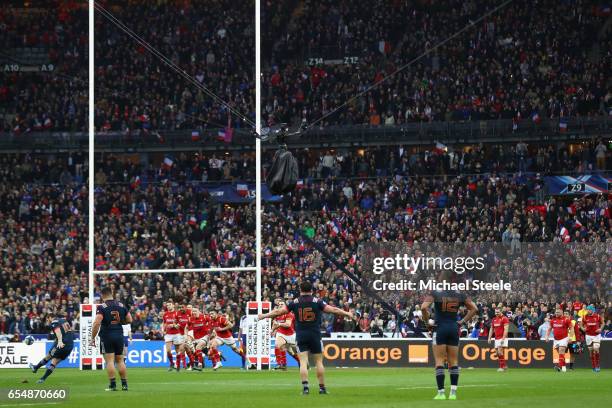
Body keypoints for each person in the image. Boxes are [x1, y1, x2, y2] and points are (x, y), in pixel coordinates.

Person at [258, 280, 354, 395]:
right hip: (315, 334)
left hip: (301, 334)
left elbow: (279, 312)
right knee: (319, 362)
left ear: (300, 290)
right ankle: (322, 388)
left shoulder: (295, 302)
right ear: (311, 291)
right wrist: (347, 313)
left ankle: (305, 388)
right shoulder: (317, 301)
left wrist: (264, 315)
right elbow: (333, 309)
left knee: (303, 362)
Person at [421, 289, 478, 400]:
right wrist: (462, 322)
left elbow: (423, 307)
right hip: (453, 328)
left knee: (439, 361)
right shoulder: (460, 294)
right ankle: (453, 393)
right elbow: (474, 308)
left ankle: (441, 393)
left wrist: (427, 322)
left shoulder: (435, 293)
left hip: (440, 328)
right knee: (454, 362)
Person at [91, 287, 132, 391]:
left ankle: (113, 385)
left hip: (107, 336)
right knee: (120, 361)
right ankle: (124, 385)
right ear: (111, 293)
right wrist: (120, 322)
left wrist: (92, 337)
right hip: (119, 335)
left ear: (102, 295)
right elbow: (130, 319)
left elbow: (97, 323)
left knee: (109, 361)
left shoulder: (102, 307)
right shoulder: (121, 305)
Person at [29, 314, 75, 384]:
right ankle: (42, 377)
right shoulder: (64, 321)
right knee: (54, 362)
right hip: (70, 346)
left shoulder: (54, 322)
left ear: (50, 317)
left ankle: (36, 368)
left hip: (61, 344)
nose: (48, 321)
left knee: (49, 356)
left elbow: (58, 331)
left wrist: (59, 341)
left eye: (47, 319)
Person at [272, 298, 299, 370]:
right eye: (279, 304)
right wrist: (272, 330)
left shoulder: (289, 314)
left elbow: (288, 324)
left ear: (285, 306)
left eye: (282, 304)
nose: (280, 305)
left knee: (293, 352)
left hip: (291, 335)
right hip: (281, 334)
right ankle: (281, 364)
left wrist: (278, 324)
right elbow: (274, 323)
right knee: (278, 345)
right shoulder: (277, 314)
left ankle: (301, 362)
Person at [545, 307, 574, 372]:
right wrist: (546, 336)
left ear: (562, 312)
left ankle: (559, 367)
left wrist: (571, 337)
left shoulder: (566, 320)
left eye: (558, 312)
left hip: (564, 338)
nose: (557, 313)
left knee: (561, 350)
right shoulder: (553, 320)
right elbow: (549, 329)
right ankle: (563, 368)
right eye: (556, 312)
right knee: (561, 354)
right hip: (556, 340)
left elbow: (571, 328)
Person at [581, 305, 604, 372]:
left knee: (596, 348)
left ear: (592, 310)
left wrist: (600, 329)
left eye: (589, 310)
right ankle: (594, 366)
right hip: (588, 335)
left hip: (596, 335)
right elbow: (581, 325)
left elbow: (603, 323)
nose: (588, 311)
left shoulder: (597, 316)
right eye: (587, 310)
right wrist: (583, 329)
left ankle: (597, 365)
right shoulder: (585, 316)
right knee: (591, 352)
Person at [162, 301, 181, 371]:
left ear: (173, 306)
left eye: (169, 305)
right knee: (168, 350)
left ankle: (177, 364)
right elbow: (164, 322)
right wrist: (163, 329)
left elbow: (180, 323)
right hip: (168, 334)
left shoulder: (177, 313)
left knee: (177, 351)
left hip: (177, 333)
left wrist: (173, 325)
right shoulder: (165, 314)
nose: (168, 306)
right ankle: (171, 363)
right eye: (167, 305)